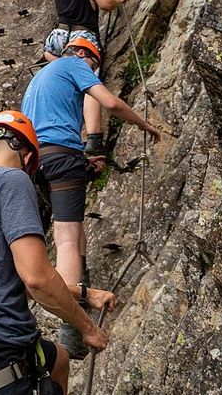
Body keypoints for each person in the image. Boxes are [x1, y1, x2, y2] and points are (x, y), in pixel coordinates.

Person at [0, 110, 116, 395]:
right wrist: (88, 327)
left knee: (58, 360)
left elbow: (6, 280)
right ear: (28, 159)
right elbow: (37, 279)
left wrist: (87, 294)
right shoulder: (13, 181)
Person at [21, 40, 161, 359]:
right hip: (61, 157)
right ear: (84, 56)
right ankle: (72, 330)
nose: (92, 73)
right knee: (67, 240)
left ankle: (78, 295)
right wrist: (144, 125)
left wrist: (83, 163)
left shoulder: (40, 78)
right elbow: (109, 103)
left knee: (73, 232)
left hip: (36, 162)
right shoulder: (73, 64)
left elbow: (45, 129)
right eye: (94, 67)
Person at [43, 0, 128, 157]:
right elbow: (105, 4)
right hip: (82, 38)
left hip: (56, 41)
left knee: (67, 81)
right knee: (87, 82)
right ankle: (94, 138)